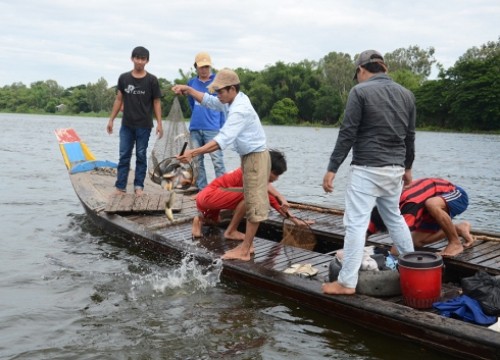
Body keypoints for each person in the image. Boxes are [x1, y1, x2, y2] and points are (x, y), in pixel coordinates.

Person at [321, 50, 416, 295]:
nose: (358, 79)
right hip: (395, 169)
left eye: (357, 75)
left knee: (355, 224)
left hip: (367, 168)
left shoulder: (360, 91)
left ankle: (346, 282)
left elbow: (348, 132)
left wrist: (332, 168)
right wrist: (407, 167)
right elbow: (410, 136)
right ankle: (412, 267)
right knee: (394, 217)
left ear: (362, 70)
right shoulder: (407, 95)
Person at [172, 68, 269, 261]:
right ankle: (244, 246)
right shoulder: (231, 100)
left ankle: (244, 250)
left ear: (232, 89)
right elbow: (208, 101)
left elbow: (220, 141)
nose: (217, 95)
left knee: (254, 204)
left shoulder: (239, 110)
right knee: (251, 200)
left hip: (256, 158)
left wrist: (193, 152)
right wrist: (189, 90)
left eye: (220, 91)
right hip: (249, 156)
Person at [192, 149, 311, 240]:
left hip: (208, 201)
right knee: (251, 195)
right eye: (275, 174)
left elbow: (273, 201)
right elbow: (269, 194)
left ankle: (199, 220)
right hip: (208, 197)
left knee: (215, 222)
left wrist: (295, 220)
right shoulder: (250, 172)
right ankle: (231, 231)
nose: (276, 178)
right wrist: (281, 196)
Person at [106, 46, 163, 196]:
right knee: (124, 155)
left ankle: (139, 186)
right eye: (136, 58)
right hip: (127, 125)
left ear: (147, 61)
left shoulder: (152, 80)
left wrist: (159, 123)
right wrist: (111, 119)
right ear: (132, 59)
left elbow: (156, 102)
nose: (139, 61)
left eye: (142, 59)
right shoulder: (124, 78)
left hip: (144, 125)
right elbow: (119, 99)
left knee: (141, 155)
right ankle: (120, 187)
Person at [367, 178, 475, 256]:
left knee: (432, 203)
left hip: (455, 194)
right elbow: (365, 231)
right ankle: (458, 228)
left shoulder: (408, 207)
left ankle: (455, 243)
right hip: (425, 210)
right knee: (417, 242)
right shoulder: (381, 208)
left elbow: (399, 248)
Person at [187, 52, 226, 190]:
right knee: (197, 160)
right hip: (195, 127)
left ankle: (223, 190)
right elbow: (191, 103)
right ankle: (202, 189)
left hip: (213, 128)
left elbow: (223, 106)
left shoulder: (218, 81)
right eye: (201, 67)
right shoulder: (191, 82)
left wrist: (221, 127)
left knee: (217, 160)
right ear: (196, 67)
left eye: (206, 66)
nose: (204, 70)